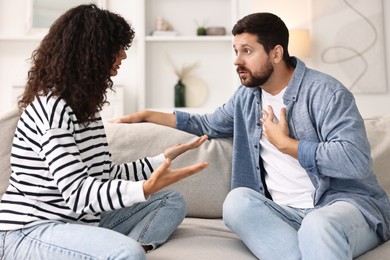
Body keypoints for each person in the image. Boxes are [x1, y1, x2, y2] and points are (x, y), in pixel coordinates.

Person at [111, 12, 390, 259]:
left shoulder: (326, 93)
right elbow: (206, 124)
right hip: (285, 215)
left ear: (276, 53)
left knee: (318, 226)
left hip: (342, 208)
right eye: (235, 51)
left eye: (247, 51)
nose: (237, 61)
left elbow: (355, 160)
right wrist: (146, 115)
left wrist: (287, 145)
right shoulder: (246, 97)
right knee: (236, 202)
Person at [0, 4, 209, 260]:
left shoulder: (84, 109)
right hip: (30, 229)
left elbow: (103, 175)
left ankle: (116, 249)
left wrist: (161, 160)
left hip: (79, 222)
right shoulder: (53, 109)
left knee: (170, 200)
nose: (123, 55)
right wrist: (142, 188)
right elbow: (77, 193)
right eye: (117, 47)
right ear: (92, 52)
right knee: (126, 252)